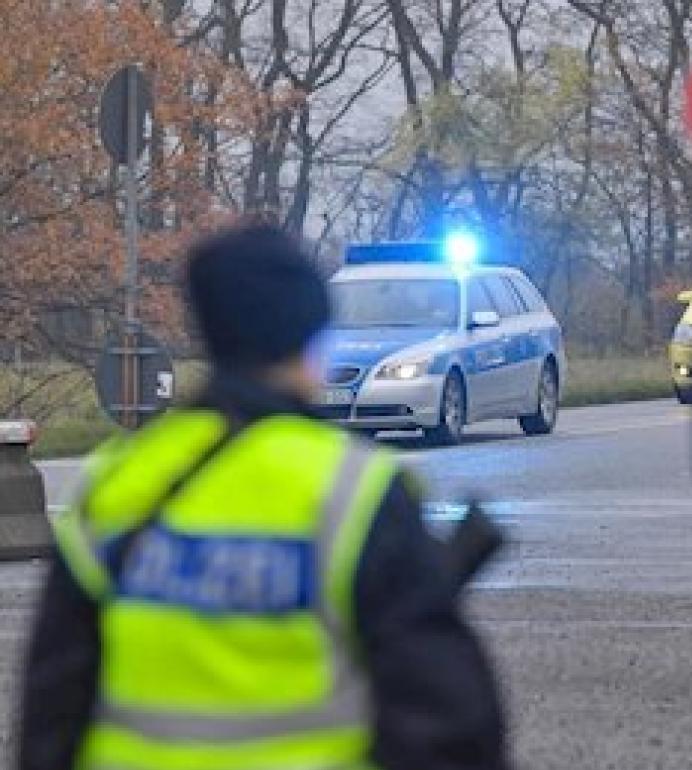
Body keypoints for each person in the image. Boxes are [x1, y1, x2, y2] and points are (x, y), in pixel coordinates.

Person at [20, 225, 510, 770]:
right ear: (312, 332)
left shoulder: (115, 481)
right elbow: (449, 722)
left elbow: (52, 703)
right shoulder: (351, 488)